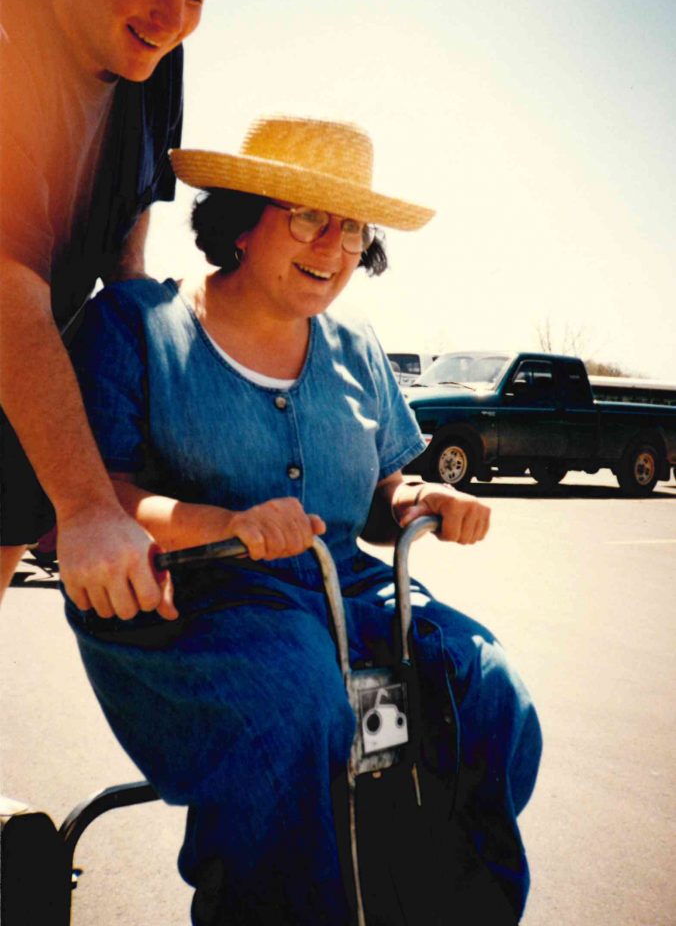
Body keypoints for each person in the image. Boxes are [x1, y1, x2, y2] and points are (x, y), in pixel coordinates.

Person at [67, 115, 542, 924]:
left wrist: (421, 502)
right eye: (307, 216)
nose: (332, 246)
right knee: (297, 705)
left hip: (349, 597)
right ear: (242, 222)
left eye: (350, 227)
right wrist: (220, 521)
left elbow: (381, 499)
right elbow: (94, 497)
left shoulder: (357, 345)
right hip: (198, 603)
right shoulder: (139, 325)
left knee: (490, 686)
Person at [0, 0, 230, 611]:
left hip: (28, 374)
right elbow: (8, 296)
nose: (171, 19)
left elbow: (125, 256)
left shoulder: (157, 55)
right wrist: (87, 505)